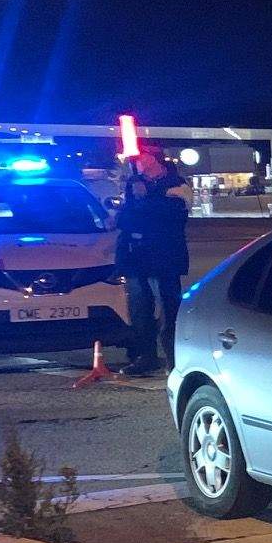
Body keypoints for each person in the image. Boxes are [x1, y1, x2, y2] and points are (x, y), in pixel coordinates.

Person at [115, 152, 190, 377]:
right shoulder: (135, 185)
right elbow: (124, 220)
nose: (140, 163)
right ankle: (146, 356)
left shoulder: (176, 184)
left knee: (170, 311)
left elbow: (171, 216)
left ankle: (174, 360)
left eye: (144, 158)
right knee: (140, 311)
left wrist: (145, 199)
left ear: (156, 160)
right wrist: (141, 200)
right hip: (137, 259)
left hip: (165, 258)